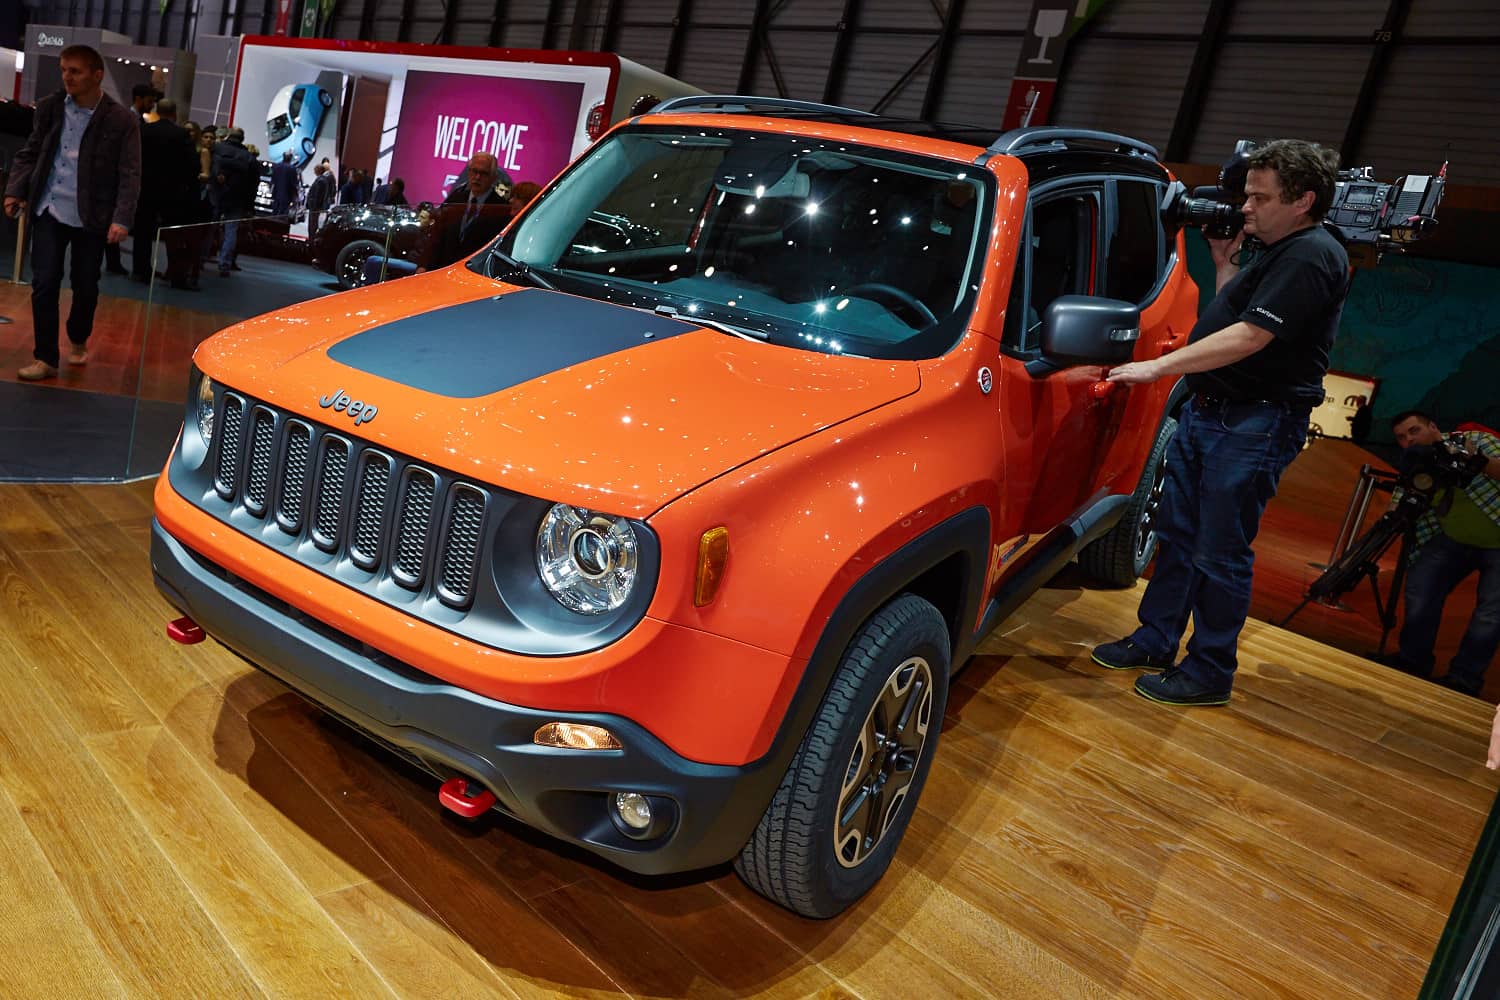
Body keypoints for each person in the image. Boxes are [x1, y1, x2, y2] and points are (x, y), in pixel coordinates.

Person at [1091, 139, 1351, 706]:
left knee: (1218, 551)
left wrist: (1157, 366)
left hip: (1253, 424)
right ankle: (1156, 638)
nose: (1246, 207)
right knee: (1179, 537)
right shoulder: (1278, 249)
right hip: (1217, 416)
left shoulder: (1312, 253)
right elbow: (1234, 311)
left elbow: (1250, 337)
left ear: (1304, 199)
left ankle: (1209, 671)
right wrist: (1225, 261)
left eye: (1260, 197)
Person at [3, 44, 141, 381]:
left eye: (75, 71)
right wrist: (15, 190)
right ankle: (46, 358)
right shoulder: (50, 108)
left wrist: (122, 218)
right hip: (48, 208)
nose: (67, 76)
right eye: (64, 69)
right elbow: (30, 152)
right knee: (44, 282)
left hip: (92, 216)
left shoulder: (122, 119)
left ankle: (78, 337)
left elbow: (130, 173)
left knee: (85, 285)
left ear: (97, 75)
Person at [1387, 411, 1500, 696]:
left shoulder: (1477, 441)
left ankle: (1464, 678)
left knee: (1491, 614)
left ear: (1434, 427)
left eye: (1413, 431)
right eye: (1401, 437)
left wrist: (1479, 462)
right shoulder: (1417, 462)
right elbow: (1400, 501)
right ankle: (1413, 660)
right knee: (1420, 589)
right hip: (1453, 539)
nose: (1409, 440)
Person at [360, 154, 511, 285]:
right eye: (474, 171)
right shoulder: (456, 197)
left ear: (493, 177)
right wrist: (423, 265)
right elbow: (437, 234)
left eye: (483, 173)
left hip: (472, 277)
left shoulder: (499, 208)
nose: (477, 177)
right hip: (441, 271)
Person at [132, 98, 198, 286]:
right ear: (174, 113)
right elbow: (192, 164)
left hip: (146, 188)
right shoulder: (181, 135)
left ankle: (140, 270)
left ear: (157, 111)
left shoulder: (144, 131)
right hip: (173, 191)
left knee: (142, 230)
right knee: (173, 234)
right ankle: (176, 274)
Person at [102, 82, 158, 276]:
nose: (152, 106)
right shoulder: (126, 120)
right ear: (139, 99)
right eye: (150, 101)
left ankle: (114, 262)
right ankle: (112, 262)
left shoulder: (139, 121)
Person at [211, 125, 256, 277]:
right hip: (237, 199)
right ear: (242, 139)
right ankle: (224, 264)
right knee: (231, 232)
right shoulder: (248, 157)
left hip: (215, 195)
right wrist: (249, 206)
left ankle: (201, 258)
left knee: (208, 228)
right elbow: (252, 184)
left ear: (229, 136)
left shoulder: (217, 148)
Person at [304, 161, 335, 237]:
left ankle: (312, 239)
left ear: (319, 170)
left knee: (312, 225)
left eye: (315, 169)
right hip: (315, 207)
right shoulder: (321, 179)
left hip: (315, 208)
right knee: (312, 225)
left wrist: (313, 206)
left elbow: (317, 196)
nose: (314, 171)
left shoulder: (321, 180)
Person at [270, 150, 298, 217]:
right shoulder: (292, 169)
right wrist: (295, 195)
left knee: (275, 211)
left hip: (276, 193)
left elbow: (273, 180)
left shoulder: (277, 166)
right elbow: (294, 183)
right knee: (283, 214)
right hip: (287, 195)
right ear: (290, 158)